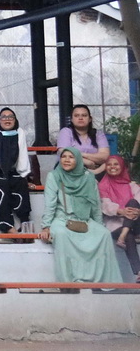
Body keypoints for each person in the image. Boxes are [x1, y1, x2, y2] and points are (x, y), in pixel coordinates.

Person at [38, 148, 122, 283]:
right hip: (61, 219)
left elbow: (95, 204)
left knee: (104, 234)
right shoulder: (54, 176)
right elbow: (50, 204)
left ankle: (102, 281)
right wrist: (46, 226)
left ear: (78, 160)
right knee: (61, 234)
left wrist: (99, 224)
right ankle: (69, 282)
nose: (66, 160)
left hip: (85, 220)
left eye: (71, 157)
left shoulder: (88, 177)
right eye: (64, 156)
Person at [98, 155, 140, 282]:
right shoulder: (102, 186)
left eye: (116, 164)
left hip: (136, 222)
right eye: (109, 164)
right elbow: (105, 205)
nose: (112, 167)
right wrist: (121, 211)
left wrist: (135, 211)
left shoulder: (132, 185)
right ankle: (138, 272)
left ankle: (123, 235)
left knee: (133, 202)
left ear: (122, 166)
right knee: (129, 236)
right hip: (115, 225)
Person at [57, 105, 110, 178]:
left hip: (96, 170)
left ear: (90, 119)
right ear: (72, 119)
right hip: (71, 171)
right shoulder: (66, 132)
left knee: (112, 163)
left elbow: (105, 156)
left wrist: (81, 154)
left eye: (84, 115)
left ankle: (91, 174)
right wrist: (87, 162)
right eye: (76, 116)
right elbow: (64, 153)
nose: (80, 118)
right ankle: (90, 174)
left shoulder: (98, 134)